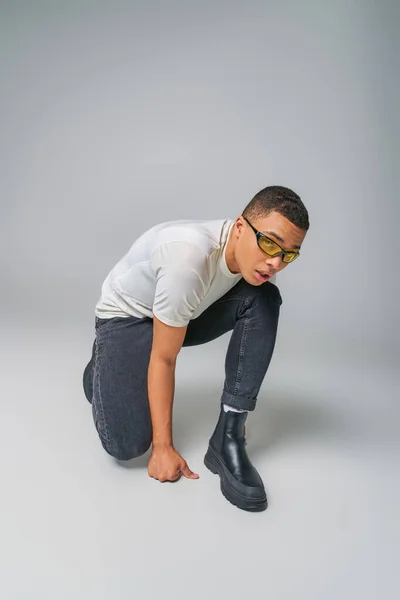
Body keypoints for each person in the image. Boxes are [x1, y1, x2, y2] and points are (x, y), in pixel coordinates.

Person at [82, 185, 309, 511]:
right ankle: (102, 365)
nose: (274, 262)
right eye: (269, 243)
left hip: (182, 310)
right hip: (129, 317)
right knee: (127, 447)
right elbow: (164, 357)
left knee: (263, 300)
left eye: (288, 254)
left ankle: (227, 438)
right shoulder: (189, 259)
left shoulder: (254, 262)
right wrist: (162, 448)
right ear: (240, 227)